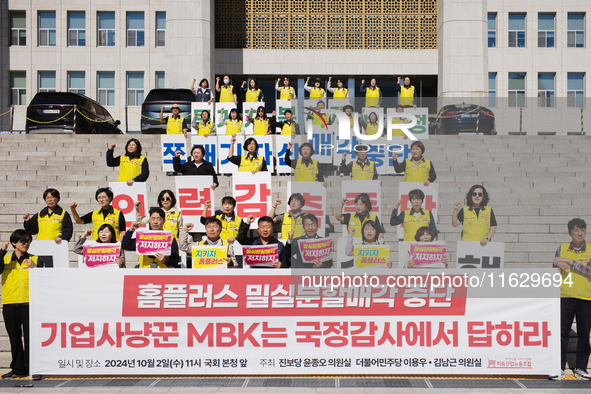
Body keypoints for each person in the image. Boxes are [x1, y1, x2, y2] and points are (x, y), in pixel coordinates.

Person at [0, 230, 44, 379]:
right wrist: (2, 251)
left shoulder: (35, 259)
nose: (26, 244)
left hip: (29, 302)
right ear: (14, 243)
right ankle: (18, 368)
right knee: (14, 337)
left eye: (28, 241)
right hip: (10, 302)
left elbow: (47, 278)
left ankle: (34, 367)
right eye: (22, 241)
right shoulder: (5, 260)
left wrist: (35, 268)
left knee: (31, 337)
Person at [550, 218, 591, 381]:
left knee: (584, 334)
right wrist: (555, 262)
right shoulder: (561, 249)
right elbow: (554, 270)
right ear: (569, 233)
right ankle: (559, 366)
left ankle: (581, 367)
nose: (579, 233)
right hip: (564, 295)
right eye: (576, 230)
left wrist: (570, 262)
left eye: (582, 230)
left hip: (585, 296)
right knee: (561, 333)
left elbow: (589, 270)